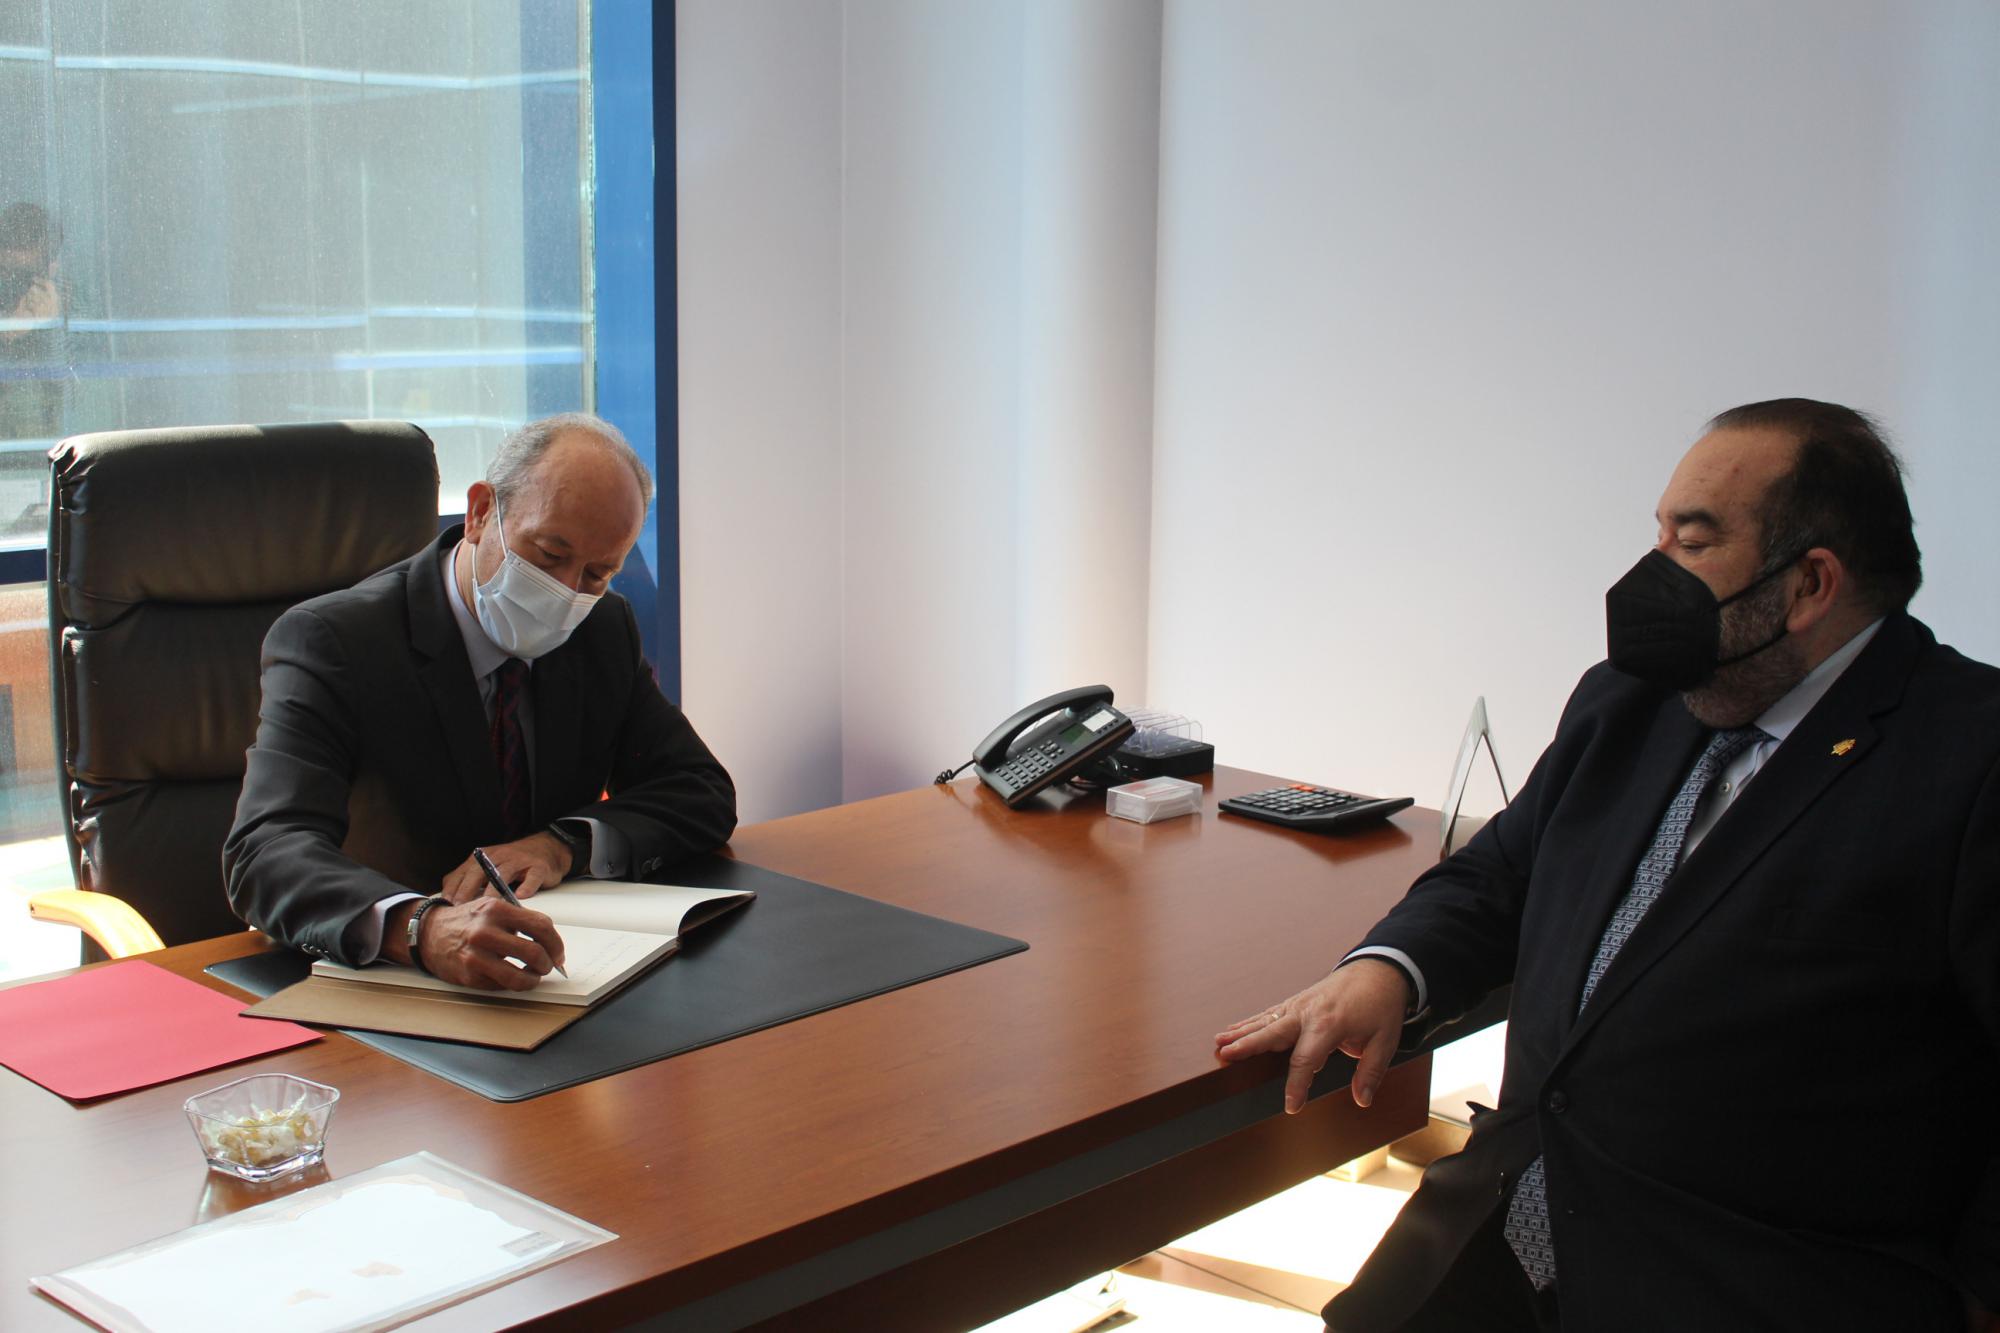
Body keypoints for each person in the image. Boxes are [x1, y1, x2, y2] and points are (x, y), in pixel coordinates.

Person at [1217, 399, 2000, 1331]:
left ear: (1810, 583)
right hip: (1501, 1218)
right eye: (1657, 535)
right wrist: (1390, 968)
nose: (1648, 574)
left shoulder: (1972, 759)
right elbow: (1499, 874)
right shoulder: (1631, 698)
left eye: (1691, 543)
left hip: (1757, 1281)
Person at [225, 413, 737, 990]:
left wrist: (561, 845)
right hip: (387, 979)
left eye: (597, 573)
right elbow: (264, 853)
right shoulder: (335, 642)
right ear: (479, 512)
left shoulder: (602, 627)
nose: (566, 592)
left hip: (550, 969)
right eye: (549, 554)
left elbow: (699, 791)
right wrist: (419, 928)